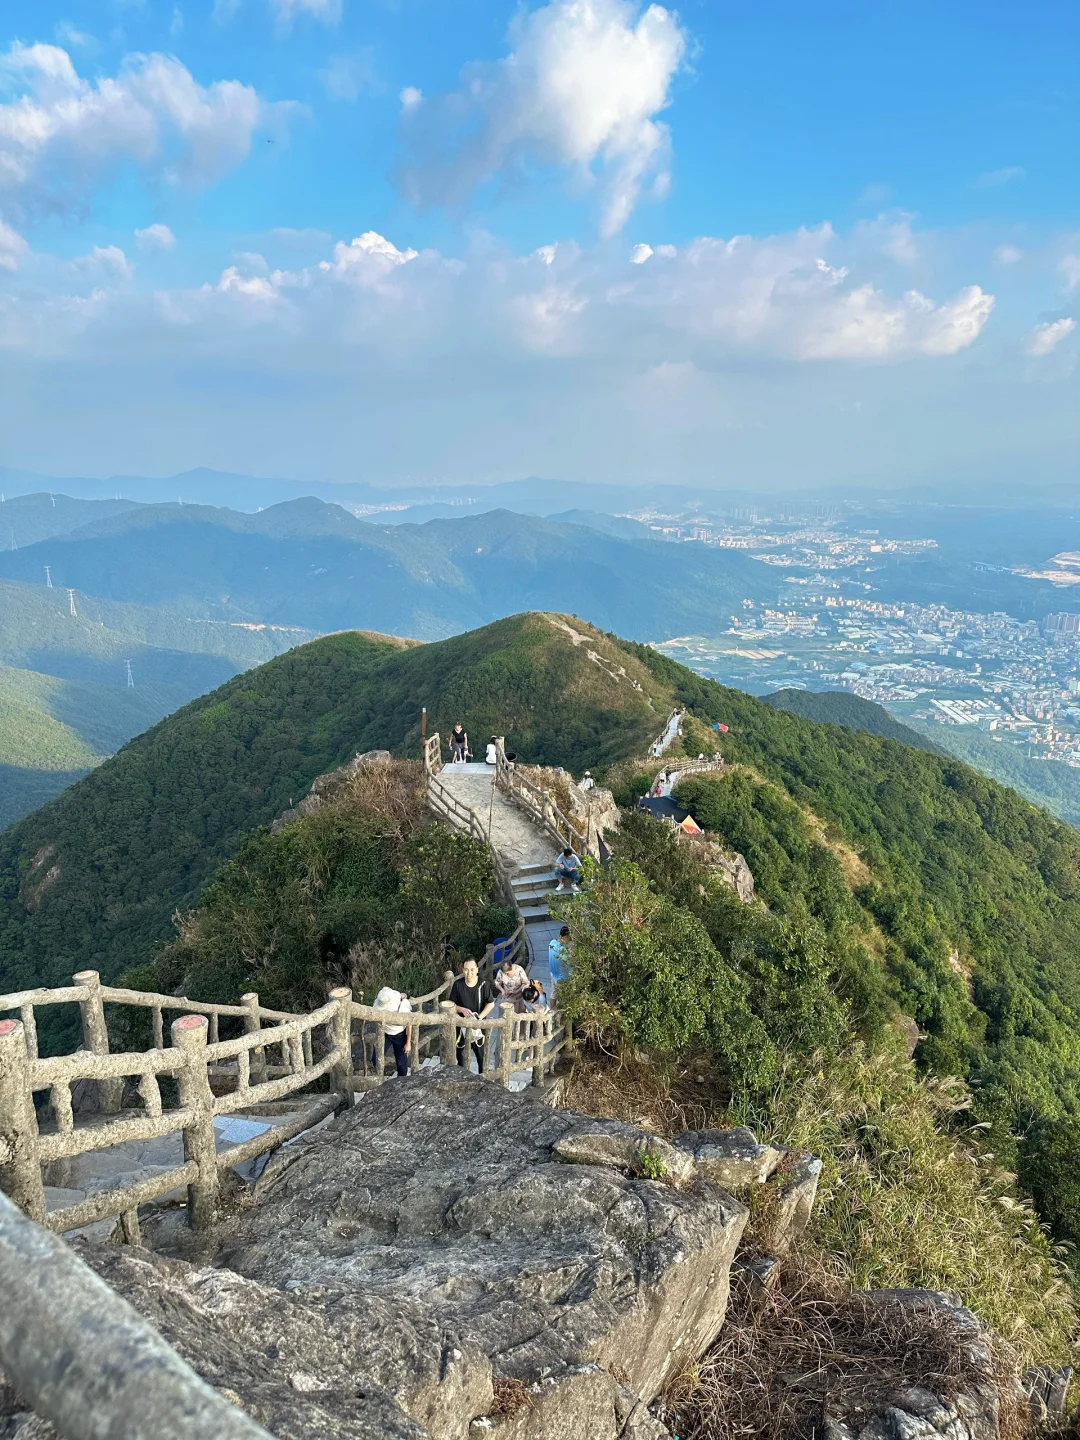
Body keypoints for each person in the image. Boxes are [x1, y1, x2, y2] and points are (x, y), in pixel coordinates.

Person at [449, 958, 494, 1071]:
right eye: (466, 970)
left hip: (478, 1027)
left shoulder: (484, 984)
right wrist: (461, 1010)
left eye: (472, 970)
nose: (469, 973)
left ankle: (482, 1082)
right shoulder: (457, 985)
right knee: (461, 1059)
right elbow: (451, 1005)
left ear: (477, 970)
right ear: (462, 970)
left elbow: (491, 1003)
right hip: (461, 1027)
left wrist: (479, 1017)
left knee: (482, 1059)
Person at [371, 985, 412, 1077]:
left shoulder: (403, 1008)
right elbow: (400, 995)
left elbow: (409, 1025)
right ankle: (381, 1076)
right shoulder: (383, 1000)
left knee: (401, 1062)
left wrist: (408, 1043)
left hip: (399, 1034)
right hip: (384, 1033)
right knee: (375, 1058)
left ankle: (401, 1081)